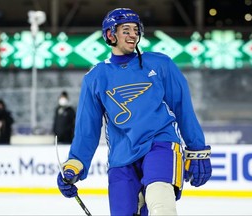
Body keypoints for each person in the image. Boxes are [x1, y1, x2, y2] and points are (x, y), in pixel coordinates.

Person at [57, 8, 212, 215]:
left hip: (161, 143)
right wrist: (75, 163)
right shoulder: (95, 77)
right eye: (126, 30)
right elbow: (88, 129)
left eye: (136, 30)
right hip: (121, 156)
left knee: (160, 201)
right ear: (111, 34)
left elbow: (183, 109)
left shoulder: (160, 64)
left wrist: (197, 148)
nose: (133, 35)